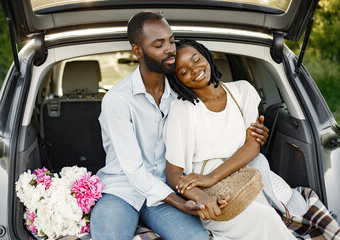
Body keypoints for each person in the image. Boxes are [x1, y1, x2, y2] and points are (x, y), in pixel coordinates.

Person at [90, 11, 269, 239]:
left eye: (171, 41)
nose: (170, 49)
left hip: (171, 188)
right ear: (137, 51)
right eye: (159, 44)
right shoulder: (117, 100)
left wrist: (253, 135)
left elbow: (217, 123)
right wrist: (186, 203)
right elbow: (134, 171)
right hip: (123, 191)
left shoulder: (184, 91)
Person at [164, 39, 296, 239]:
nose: (194, 69)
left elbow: (252, 146)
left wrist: (213, 176)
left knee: (268, 219)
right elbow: (173, 174)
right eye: (183, 72)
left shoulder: (242, 91)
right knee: (266, 218)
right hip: (209, 192)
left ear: (205, 55)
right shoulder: (181, 109)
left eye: (196, 59)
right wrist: (202, 195)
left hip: (244, 178)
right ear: (177, 81)